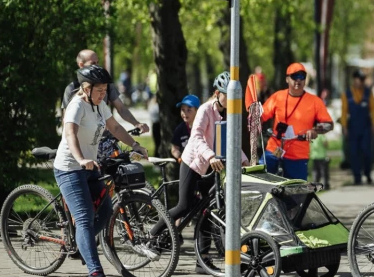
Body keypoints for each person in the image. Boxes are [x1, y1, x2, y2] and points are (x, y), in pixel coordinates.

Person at [55, 65, 148, 277]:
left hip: (90, 167)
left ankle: (81, 241)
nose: (103, 94)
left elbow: (115, 127)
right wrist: (80, 158)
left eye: (105, 89)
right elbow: (70, 134)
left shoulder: (99, 105)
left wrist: (134, 145)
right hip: (70, 168)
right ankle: (95, 271)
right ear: (86, 88)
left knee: (106, 211)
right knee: (85, 217)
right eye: (99, 90)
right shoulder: (76, 106)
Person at [150, 72, 246, 270]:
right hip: (193, 163)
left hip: (212, 167)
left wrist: (245, 162)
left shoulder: (229, 113)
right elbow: (197, 137)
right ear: (217, 93)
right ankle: (152, 235)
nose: (231, 100)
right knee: (184, 206)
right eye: (227, 95)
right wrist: (210, 156)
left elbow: (232, 141)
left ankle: (202, 261)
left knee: (208, 212)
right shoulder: (204, 110)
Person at [61, 50, 150, 157]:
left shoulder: (105, 86)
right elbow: (66, 121)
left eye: (97, 62)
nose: (97, 66)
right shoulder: (72, 90)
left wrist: (136, 124)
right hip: (83, 143)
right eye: (93, 63)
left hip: (106, 138)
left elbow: (120, 109)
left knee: (123, 166)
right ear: (81, 65)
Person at [260, 63, 334, 179]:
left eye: (302, 76)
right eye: (294, 77)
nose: (298, 81)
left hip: (298, 154)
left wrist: (314, 130)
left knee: (297, 192)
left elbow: (329, 124)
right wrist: (257, 124)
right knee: (260, 177)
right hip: (275, 148)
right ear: (287, 79)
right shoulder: (277, 97)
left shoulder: (315, 101)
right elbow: (260, 116)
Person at [341, 69, 374, 184]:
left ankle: (367, 173)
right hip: (353, 127)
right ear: (354, 79)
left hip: (366, 126)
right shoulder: (347, 94)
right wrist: (344, 126)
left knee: (366, 151)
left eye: (362, 79)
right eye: (359, 79)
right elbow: (344, 111)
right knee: (353, 152)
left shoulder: (368, 93)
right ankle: (357, 177)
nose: (360, 82)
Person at [171, 94, 200, 160]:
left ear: (197, 111)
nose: (185, 113)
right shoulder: (180, 129)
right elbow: (174, 148)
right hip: (186, 163)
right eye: (182, 110)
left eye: (189, 110)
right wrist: (179, 156)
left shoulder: (203, 126)